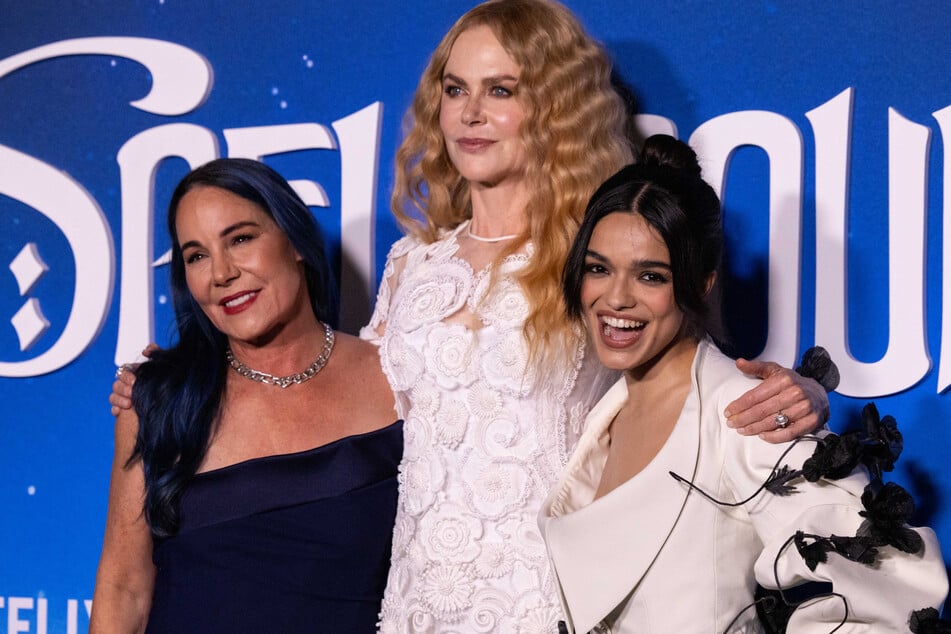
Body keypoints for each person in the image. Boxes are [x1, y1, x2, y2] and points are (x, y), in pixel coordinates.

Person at [108, 2, 830, 630]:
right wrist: (176, 385)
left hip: (547, 596)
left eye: (500, 90)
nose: (470, 114)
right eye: (455, 90)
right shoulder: (412, 264)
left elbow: (688, 377)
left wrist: (801, 392)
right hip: (413, 600)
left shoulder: (592, 253)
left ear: (554, 108)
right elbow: (343, 394)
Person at [539, 135, 948, 633]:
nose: (615, 298)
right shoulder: (605, 414)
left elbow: (891, 581)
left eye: (650, 276)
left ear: (701, 283)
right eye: (599, 269)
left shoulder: (747, 410)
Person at [91, 158, 401, 633]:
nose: (221, 273)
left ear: (295, 240)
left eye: (240, 239)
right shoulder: (160, 401)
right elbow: (124, 590)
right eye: (196, 255)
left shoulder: (397, 378)